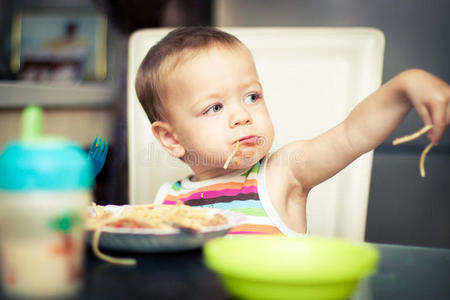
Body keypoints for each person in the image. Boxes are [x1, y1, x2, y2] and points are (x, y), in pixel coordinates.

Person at [135, 27, 450, 235]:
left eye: (252, 97)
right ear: (171, 139)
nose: (243, 115)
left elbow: (352, 134)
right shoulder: (167, 202)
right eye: (215, 107)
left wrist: (406, 85)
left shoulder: (280, 175)